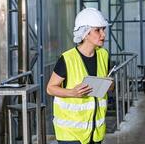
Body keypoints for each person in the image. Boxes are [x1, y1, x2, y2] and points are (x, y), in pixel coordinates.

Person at [47, 8, 111, 144]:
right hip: (70, 134)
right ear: (85, 33)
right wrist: (72, 92)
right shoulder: (67, 59)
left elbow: (109, 85)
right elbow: (50, 88)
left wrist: (110, 85)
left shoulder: (103, 55)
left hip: (95, 132)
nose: (103, 34)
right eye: (98, 30)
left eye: (103, 29)